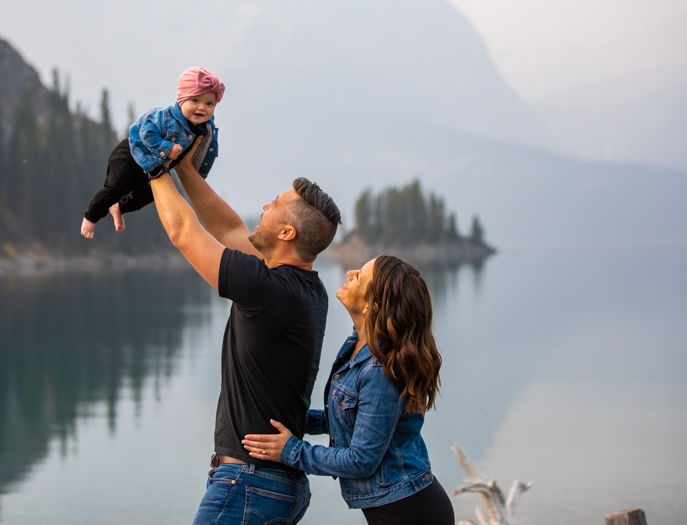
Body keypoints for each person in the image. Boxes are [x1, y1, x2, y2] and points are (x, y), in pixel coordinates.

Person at [148, 150, 342, 524]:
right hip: (276, 486)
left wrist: (153, 164)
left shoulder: (268, 289)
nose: (265, 205)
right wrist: (183, 168)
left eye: (276, 204)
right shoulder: (305, 289)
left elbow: (183, 231)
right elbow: (228, 231)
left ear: (287, 233)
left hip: (250, 484)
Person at [242, 255, 456, 525]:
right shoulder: (357, 347)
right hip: (398, 505)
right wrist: (295, 418)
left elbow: (361, 459)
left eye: (361, 277)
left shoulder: (379, 371)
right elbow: (353, 418)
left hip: (409, 511)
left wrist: (291, 451)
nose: (351, 272)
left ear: (371, 306)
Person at [80, 66, 223, 239]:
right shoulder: (165, 117)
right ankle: (91, 216)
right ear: (181, 99)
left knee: (148, 196)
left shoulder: (206, 129)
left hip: (152, 168)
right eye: (195, 100)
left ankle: (118, 208)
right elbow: (146, 132)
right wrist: (167, 148)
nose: (202, 108)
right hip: (131, 156)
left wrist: (198, 176)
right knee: (115, 187)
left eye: (209, 104)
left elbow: (207, 153)